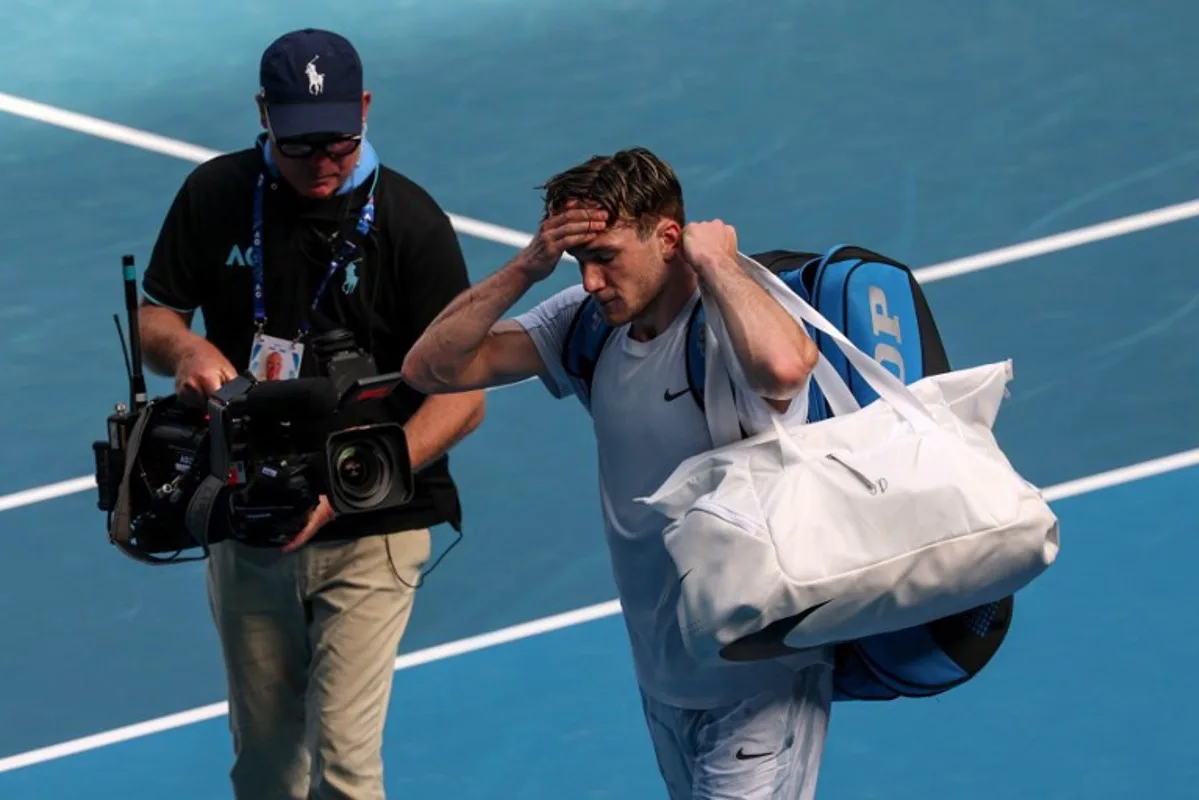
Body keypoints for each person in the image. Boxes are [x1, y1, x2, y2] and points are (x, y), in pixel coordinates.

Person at [401, 147, 834, 799]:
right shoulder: (589, 325)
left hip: (760, 679)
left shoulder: (729, 322)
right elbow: (430, 369)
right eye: (581, 263)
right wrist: (527, 267)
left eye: (606, 258)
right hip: (665, 677)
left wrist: (715, 258)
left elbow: (784, 367)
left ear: (667, 238)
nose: (593, 281)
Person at [137, 28, 486, 800]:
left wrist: (364, 474)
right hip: (250, 515)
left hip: (374, 524)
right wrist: (188, 351)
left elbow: (463, 396)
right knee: (265, 767)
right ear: (263, 115)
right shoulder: (216, 195)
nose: (324, 166)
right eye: (301, 149)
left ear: (364, 109)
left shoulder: (411, 224)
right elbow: (155, 315)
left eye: (340, 144)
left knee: (344, 768)